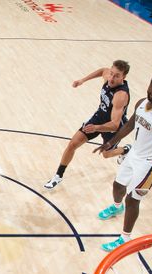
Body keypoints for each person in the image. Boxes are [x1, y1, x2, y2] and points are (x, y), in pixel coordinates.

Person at [94, 73, 152, 252]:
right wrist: (111, 142)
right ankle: (117, 208)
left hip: (150, 162)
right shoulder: (141, 102)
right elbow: (129, 125)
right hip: (134, 153)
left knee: (133, 200)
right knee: (118, 185)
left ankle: (125, 238)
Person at [44, 60, 131, 189]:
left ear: (123, 77)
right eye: (111, 73)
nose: (111, 78)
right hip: (98, 118)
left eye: (116, 76)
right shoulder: (109, 76)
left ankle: (126, 149)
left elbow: (115, 124)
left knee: (106, 155)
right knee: (73, 144)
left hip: (113, 127)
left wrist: (97, 128)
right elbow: (102, 70)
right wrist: (82, 80)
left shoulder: (120, 95)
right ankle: (58, 176)